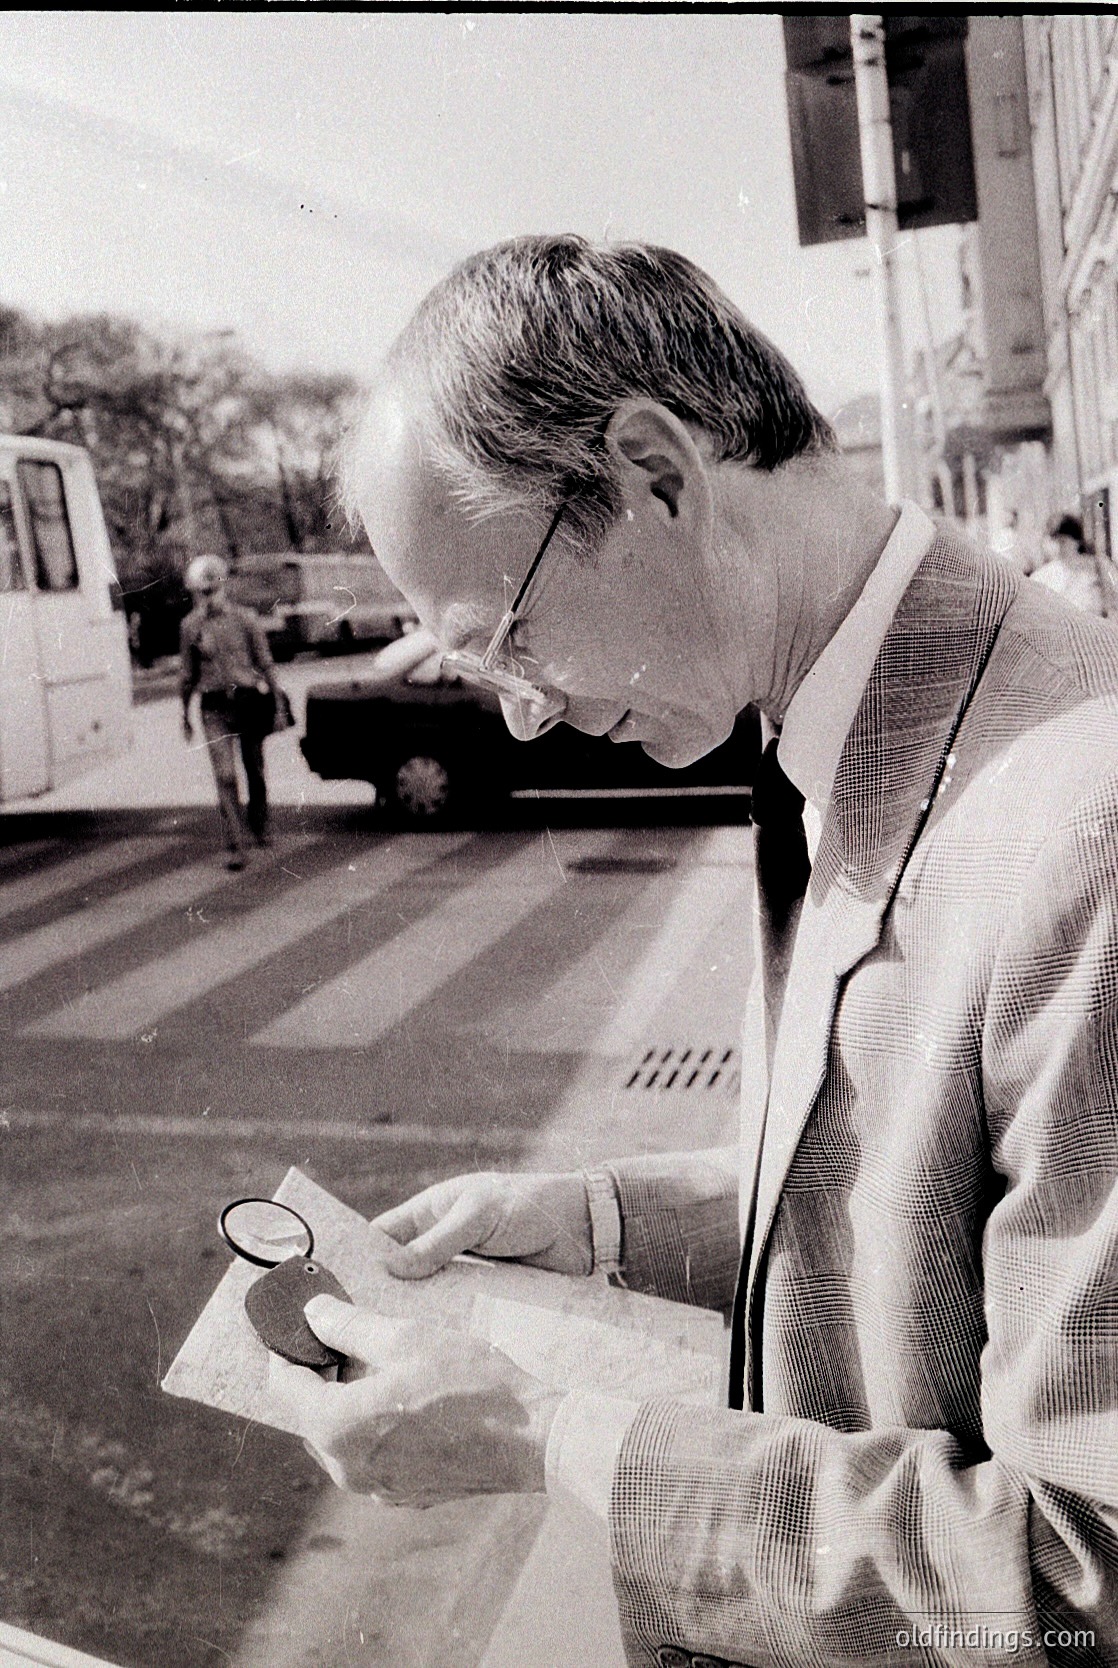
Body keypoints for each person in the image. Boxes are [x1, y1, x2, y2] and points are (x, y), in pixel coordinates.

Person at [270, 237, 1118, 1665]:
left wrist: (546, 1433)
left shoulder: (1084, 827)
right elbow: (927, 1194)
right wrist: (599, 1225)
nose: (521, 713)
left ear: (655, 475)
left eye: (506, 638)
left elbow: (1083, 1578)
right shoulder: (845, 719)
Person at [179, 553, 283, 869]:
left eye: (212, 590)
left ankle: (259, 823)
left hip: (247, 701)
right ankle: (237, 842)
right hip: (213, 707)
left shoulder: (245, 619)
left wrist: (278, 704)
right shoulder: (190, 626)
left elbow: (265, 663)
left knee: (254, 767)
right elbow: (187, 675)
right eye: (201, 592)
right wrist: (184, 714)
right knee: (224, 774)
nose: (207, 598)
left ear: (223, 587)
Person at [1032, 512, 1116, 617]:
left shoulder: (1099, 566)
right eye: (1054, 541)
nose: (1059, 547)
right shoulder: (1044, 575)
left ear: (1077, 541)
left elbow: (1113, 600)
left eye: (1063, 541)